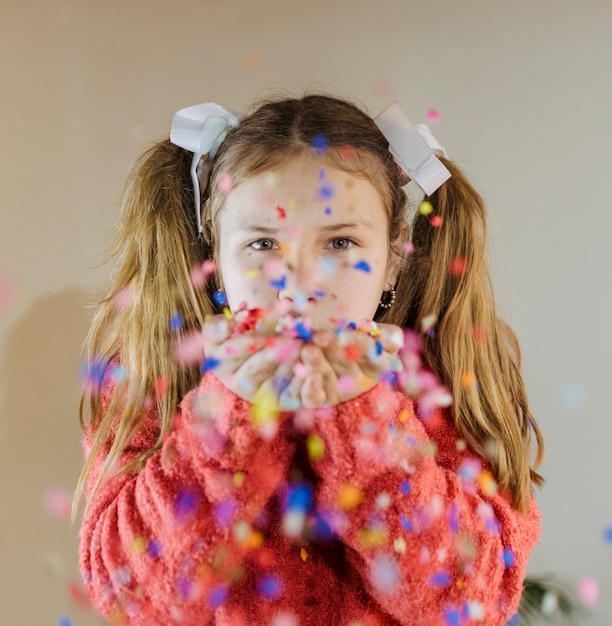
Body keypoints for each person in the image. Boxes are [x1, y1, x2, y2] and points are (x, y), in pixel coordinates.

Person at [76, 94, 544, 626]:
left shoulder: (448, 380)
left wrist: (368, 428)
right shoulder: (152, 377)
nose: (299, 284)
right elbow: (129, 597)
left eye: (340, 242)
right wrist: (226, 427)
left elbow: (471, 603)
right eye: (263, 245)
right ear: (216, 259)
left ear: (392, 261)